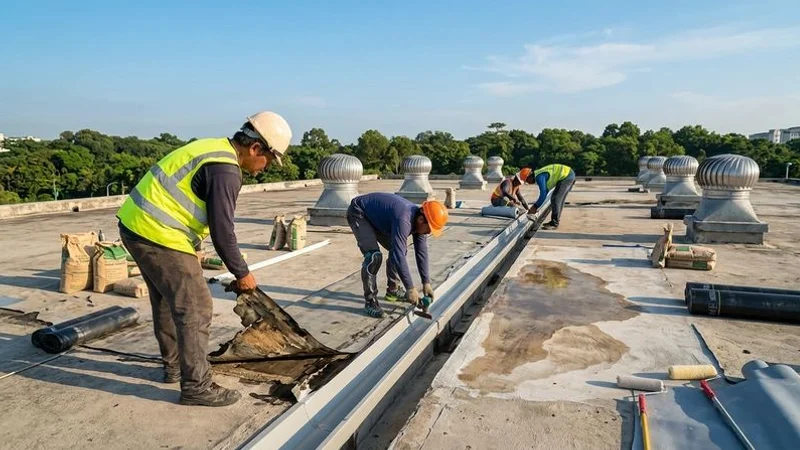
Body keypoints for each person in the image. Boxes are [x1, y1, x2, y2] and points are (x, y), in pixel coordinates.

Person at [116, 111, 292, 407]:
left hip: (136, 226)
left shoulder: (213, 148)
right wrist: (242, 273)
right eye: (269, 160)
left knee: (165, 301)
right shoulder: (226, 169)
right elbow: (224, 232)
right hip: (159, 234)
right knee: (196, 308)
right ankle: (196, 386)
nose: (266, 168)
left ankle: (174, 366)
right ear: (255, 149)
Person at [346, 193, 448, 318]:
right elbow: (398, 254)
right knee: (374, 257)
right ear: (421, 220)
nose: (428, 233)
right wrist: (410, 288)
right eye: (429, 229)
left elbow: (421, 252)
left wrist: (426, 282)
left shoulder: (420, 221)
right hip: (359, 213)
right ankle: (370, 302)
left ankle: (393, 291)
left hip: (378, 220)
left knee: (400, 250)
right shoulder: (404, 218)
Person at [526, 163, 576, 229]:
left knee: (555, 199)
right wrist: (537, 206)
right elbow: (545, 192)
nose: (527, 182)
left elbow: (543, 194)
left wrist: (535, 206)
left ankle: (554, 223)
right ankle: (555, 221)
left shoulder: (539, 177)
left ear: (529, 176)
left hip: (566, 176)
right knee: (558, 199)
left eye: (526, 180)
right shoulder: (540, 175)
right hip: (568, 175)